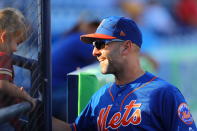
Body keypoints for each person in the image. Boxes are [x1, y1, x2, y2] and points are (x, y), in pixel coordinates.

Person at [53, 16, 197, 131]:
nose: (95, 52)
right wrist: (37, 111)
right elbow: (74, 129)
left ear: (126, 47)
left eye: (100, 44)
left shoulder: (164, 93)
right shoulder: (99, 96)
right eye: (93, 45)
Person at [0, 7, 36, 130]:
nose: (16, 49)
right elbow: (2, 84)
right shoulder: (3, 57)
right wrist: (25, 96)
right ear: (4, 37)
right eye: (17, 43)